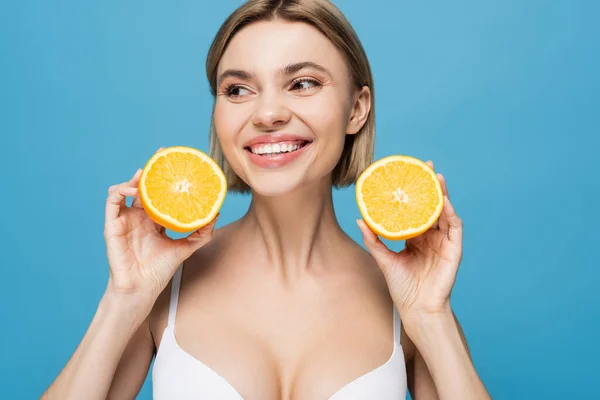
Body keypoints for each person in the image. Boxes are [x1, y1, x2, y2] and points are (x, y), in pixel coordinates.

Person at [43, 1, 491, 399]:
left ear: (357, 109)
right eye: (238, 90)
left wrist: (432, 317)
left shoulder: (406, 300)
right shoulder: (163, 285)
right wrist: (123, 299)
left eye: (302, 83)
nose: (267, 114)